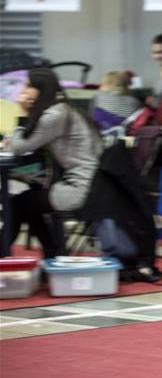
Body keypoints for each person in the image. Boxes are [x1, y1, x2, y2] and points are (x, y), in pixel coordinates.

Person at [4, 69, 103, 258]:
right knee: (27, 201)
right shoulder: (65, 109)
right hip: (94, 184)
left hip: (80, 188)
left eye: (27, 86)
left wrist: (23, 113)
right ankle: (52, 254)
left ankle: (9, 253)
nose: (23, 90)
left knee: (18, 203)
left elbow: (18, 148)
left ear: (39, 90)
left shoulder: (55, 115)